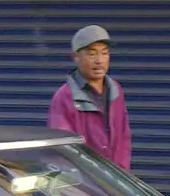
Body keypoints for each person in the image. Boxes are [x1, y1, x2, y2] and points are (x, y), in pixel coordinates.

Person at [48, 25, 132, 170]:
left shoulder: (116, 90)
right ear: (76, 57)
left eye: (104, 53)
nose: (99, 61)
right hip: (84, 182)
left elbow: (124, 139)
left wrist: (123, 176)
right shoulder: (64, 97)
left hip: (116, 180)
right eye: (92, 54)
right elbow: (63, 149)